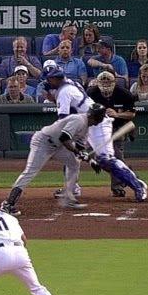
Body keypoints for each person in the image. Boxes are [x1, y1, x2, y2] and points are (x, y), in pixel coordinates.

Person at [0, 103, 107, 216]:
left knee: (74, 164)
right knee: (30, 172)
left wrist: (91, 161)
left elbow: (80, 148)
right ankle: (8, 204)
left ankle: (68, 198)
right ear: (98, 118)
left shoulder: (86, 128)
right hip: (43, 142)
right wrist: (78, 153)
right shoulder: (79, 120)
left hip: (58, 146)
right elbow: (64, 138)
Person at [44, 65, 94, 199]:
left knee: (72, 154)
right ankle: (72, 188)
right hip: (87, 121)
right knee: (73, 155)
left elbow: (63, 118)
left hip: (85, 123)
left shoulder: (64, 91)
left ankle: (72, 188)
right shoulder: (73, 83)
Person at [87, 71, 137, 197]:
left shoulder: (124, 94)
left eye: (108, 81)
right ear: (97, 83)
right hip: (97, 129)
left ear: (114, 82)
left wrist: (117, 114)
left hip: (116, 126)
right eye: (103, 81)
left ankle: (117, 186)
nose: (105, 84)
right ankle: (125, 172)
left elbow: (131, 114)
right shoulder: (91, 93)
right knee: (93, 155)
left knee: (116, 155)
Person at [87, 107, 148, 202]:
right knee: (103, 162)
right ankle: (71, 189)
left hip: (97, 121)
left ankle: (138, 186)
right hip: (85, 122)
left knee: (106, 159)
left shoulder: (65, 93)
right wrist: (88, 159)